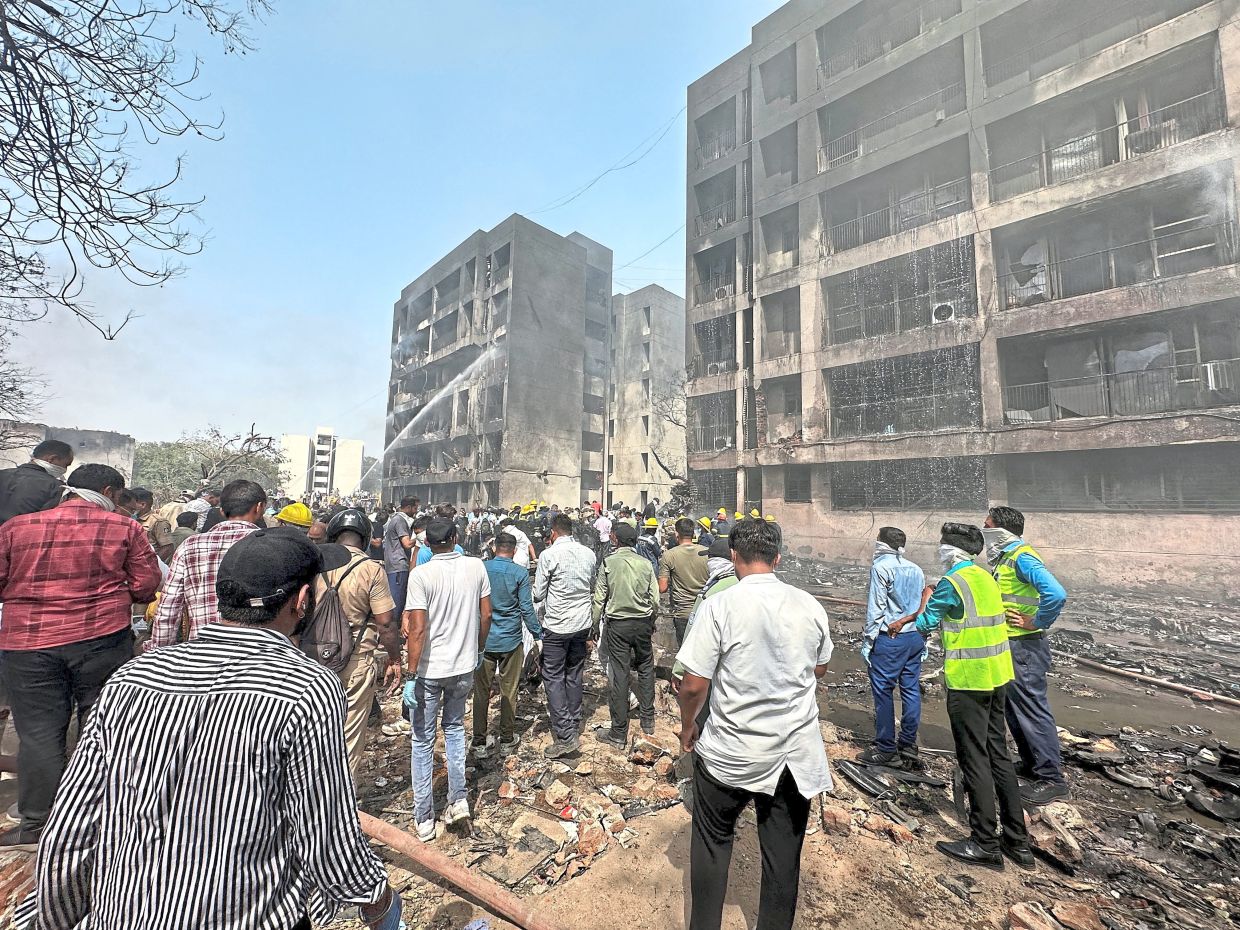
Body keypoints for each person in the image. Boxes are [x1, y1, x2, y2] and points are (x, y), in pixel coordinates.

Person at [13, 528, 402, 930]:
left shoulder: (134, 677)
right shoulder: (304, 686)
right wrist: (375, 898)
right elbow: (324, 834)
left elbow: (70, 830)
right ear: (301, 600)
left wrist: (53, 920)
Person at [675, 519, 833, 930]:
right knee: (783, 860)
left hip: (731, 750)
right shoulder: (809, 604)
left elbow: (693, 684)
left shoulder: (719, 605)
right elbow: (819, 666)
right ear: (778, 557)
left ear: (733, 556)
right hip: (793, 756)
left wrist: (687, 726)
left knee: (712, 845)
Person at [0, 464, 161, 850]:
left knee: (38, 732)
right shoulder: (125, 528)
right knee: (100, 728)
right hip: (101, 639)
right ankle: (96, 820)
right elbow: (146, 584)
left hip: (28, 643)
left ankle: (38, 823)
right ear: (109, 491)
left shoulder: (17, 528)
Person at [888, 523, 1034, 872]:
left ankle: (984, 842)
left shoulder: (952, 583)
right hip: (999, 676)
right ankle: (1017, 841)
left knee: (974, 759)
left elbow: (924, 625)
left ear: (951, 552)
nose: (938, 551)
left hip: (969, 681)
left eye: (941, 547)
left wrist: (926, 598)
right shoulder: (986, 577)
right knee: (998, 754)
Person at [403, 520, 491, 841]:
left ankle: (424, 818)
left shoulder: (421, 575)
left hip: (429, 670)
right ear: (455, 538)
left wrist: (410, 676)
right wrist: (479, 648)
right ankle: (458, 799)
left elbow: (418, 629)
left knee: (422, 741)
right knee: (454, 730)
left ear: (427, 543)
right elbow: (486, 615)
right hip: (463, 666)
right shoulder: (476, 566)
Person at [984, 505, 1069, 806]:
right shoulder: (1006, 558)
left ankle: (1051, 779)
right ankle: (1032, 765)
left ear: (1001, 530)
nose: (984, 531)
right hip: (1012, 645)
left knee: (1032, 710)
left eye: (988, 525)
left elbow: (1056, 593)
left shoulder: (1022, 557)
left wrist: (1037, 621)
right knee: (1014, 709)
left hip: (1025, 646)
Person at [319, 509, 402, 778]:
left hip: (310, 659)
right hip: (354, 661)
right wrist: (395, 659)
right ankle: (339, 807)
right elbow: (386, 623)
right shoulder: (371, 569)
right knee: (348, 738)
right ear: (365, 538)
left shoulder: (314, 564)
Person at [147, 480, 267, 650]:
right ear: (260, 507)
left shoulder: (190, 546)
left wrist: (158, 652)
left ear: (222, 510)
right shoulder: (270, 546)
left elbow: (168, 609)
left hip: (201, 650)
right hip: (256, 652)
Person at [859, 526, 928, 768]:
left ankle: (886, 748)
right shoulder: (916, 569)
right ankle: (908, 744)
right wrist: (924, 637)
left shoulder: (880, 568)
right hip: (914, 638)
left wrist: (868, 640)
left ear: (881, 544)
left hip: (890, 638)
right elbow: (922, 605)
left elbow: (876, 607)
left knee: (883, 692)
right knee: (910, 690)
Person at [532, 513, 596, 759]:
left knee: (553, 676)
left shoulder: (548, 555)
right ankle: (574, 719)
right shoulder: (588, 553)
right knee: (575, 672)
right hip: (581, 624)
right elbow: (590, 584)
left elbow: (538, 594)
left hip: (557, 625)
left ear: (553, 533)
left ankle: (566, 734)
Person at [474, 532, 542, 758]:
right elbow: (526, 608)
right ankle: (506, 739)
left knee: (481, 692)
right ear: (513, 551)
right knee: (509, 690)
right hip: (511, 640)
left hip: (483, 640)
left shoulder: (481, 569)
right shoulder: (520, 573)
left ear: (495, 548)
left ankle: (479, 742)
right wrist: (537, 633)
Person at [592, 523, 660, 748]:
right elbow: (655, 600)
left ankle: (618, 733)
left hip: (618, 625)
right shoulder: (646, 564)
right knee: (646, 668)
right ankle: (647, 720)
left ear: (616, 540)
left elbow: (599, 598)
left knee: (620, 674)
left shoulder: (608, 562)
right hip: (642, 624)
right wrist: (650, 621)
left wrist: (594, 624)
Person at [659, 517, 710, 645]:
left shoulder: (669, 555)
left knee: (685, 655)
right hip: (704, 611)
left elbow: (662, 587)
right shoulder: (706, 553)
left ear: (677, 534)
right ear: (694, 534)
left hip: (683, 614)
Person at [0, 439, 74, 524]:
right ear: (52, 459)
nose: (65, 470)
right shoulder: (56, 487)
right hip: (23, 535)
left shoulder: (2, 474)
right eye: (66, 465)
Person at [382, 496, 418, 611]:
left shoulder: (397, 519)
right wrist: (421, 537)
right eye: (415, 508)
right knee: (397, 600)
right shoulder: (400, 521)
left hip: (395, 564)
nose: (416, 511)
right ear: (408, 507)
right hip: (398, 565)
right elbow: (407, 543)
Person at [130, 487, 176, 562]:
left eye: (132, 503)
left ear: (143, 504)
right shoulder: (129, 518)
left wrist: (152, 563)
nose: (130, 506)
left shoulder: (158, 522)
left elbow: (167, 547)